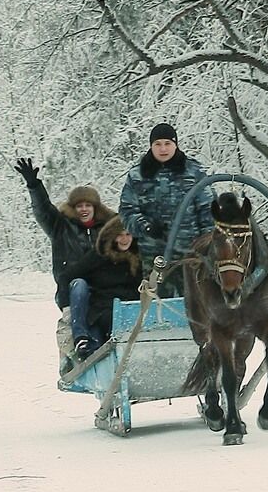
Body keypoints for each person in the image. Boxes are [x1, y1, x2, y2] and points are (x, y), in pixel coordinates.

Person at [13, 157, 115, 367]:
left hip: (102, 292)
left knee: (103, 327)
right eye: (79, 206)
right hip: (71, 291)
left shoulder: (107, 229)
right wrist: (34, 185)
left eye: (88, 205)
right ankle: (71, 354)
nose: (84, 209)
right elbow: (43, 210)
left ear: (96, 208)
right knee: (77, 294)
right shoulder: (60, 227)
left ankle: (101, 357)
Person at [118, 123, 214, 296]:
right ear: (151, 146)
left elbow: (208, 210)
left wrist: (207, 243)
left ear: (175, 144)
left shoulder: (194, 171)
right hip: (154, 256)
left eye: (167, 144)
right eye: (158, 144)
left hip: (192, 255)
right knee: (158, 307)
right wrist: (145, 227)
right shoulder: (137, 175)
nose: (163, 149)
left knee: (197, 305)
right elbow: (127, 211)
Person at [66, 217, 143, 363]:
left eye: (128, 234)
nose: (125, 239)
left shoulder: (138, 257)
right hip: (101, 311)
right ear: (112, 237)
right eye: (120, 235)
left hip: (128, 312)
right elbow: (67, 276)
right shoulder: (99, 256)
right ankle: (82, 339)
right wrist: (64, 305)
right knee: (79, 284)